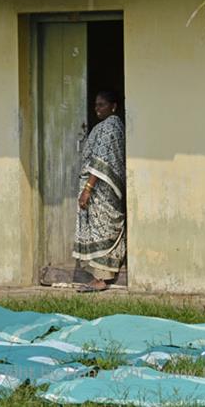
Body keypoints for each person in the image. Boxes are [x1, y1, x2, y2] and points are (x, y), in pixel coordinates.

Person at [73, 90, 126, 292]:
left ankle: (101, 279)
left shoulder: (110, 126)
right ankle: (98, 276)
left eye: (102, 105)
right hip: (102, 188)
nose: (97, 109)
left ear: (113, 106)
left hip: (102, 190)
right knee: (99, 229)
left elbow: (101, 161)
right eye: (96, 105)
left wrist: (88, 188)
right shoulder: (110, 126)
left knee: (102, 229)